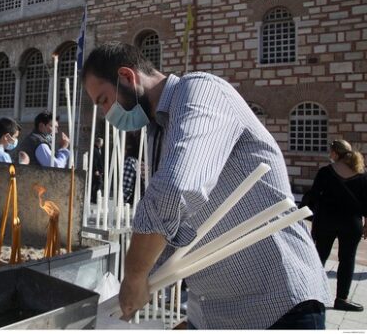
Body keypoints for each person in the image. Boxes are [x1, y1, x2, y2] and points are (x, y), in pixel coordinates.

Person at [81, 43, 331, 329]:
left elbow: (176, 189)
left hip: (279, 305)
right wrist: (195, 320)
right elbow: (180, 229)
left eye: (103, 100)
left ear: (126, 77)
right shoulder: (157, 131)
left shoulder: (200, 91)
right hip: (223, 312)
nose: (105, 114)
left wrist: (134, 275)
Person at [305, 139, 367, 312]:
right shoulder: (361, 175)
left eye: (330, 151)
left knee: (319, 257)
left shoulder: (325, 172)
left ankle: (311, 295)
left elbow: (314, 196)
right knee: (347, 260)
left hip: (326, 221)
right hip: (351, 223)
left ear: (335, 153)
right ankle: (342, 299)